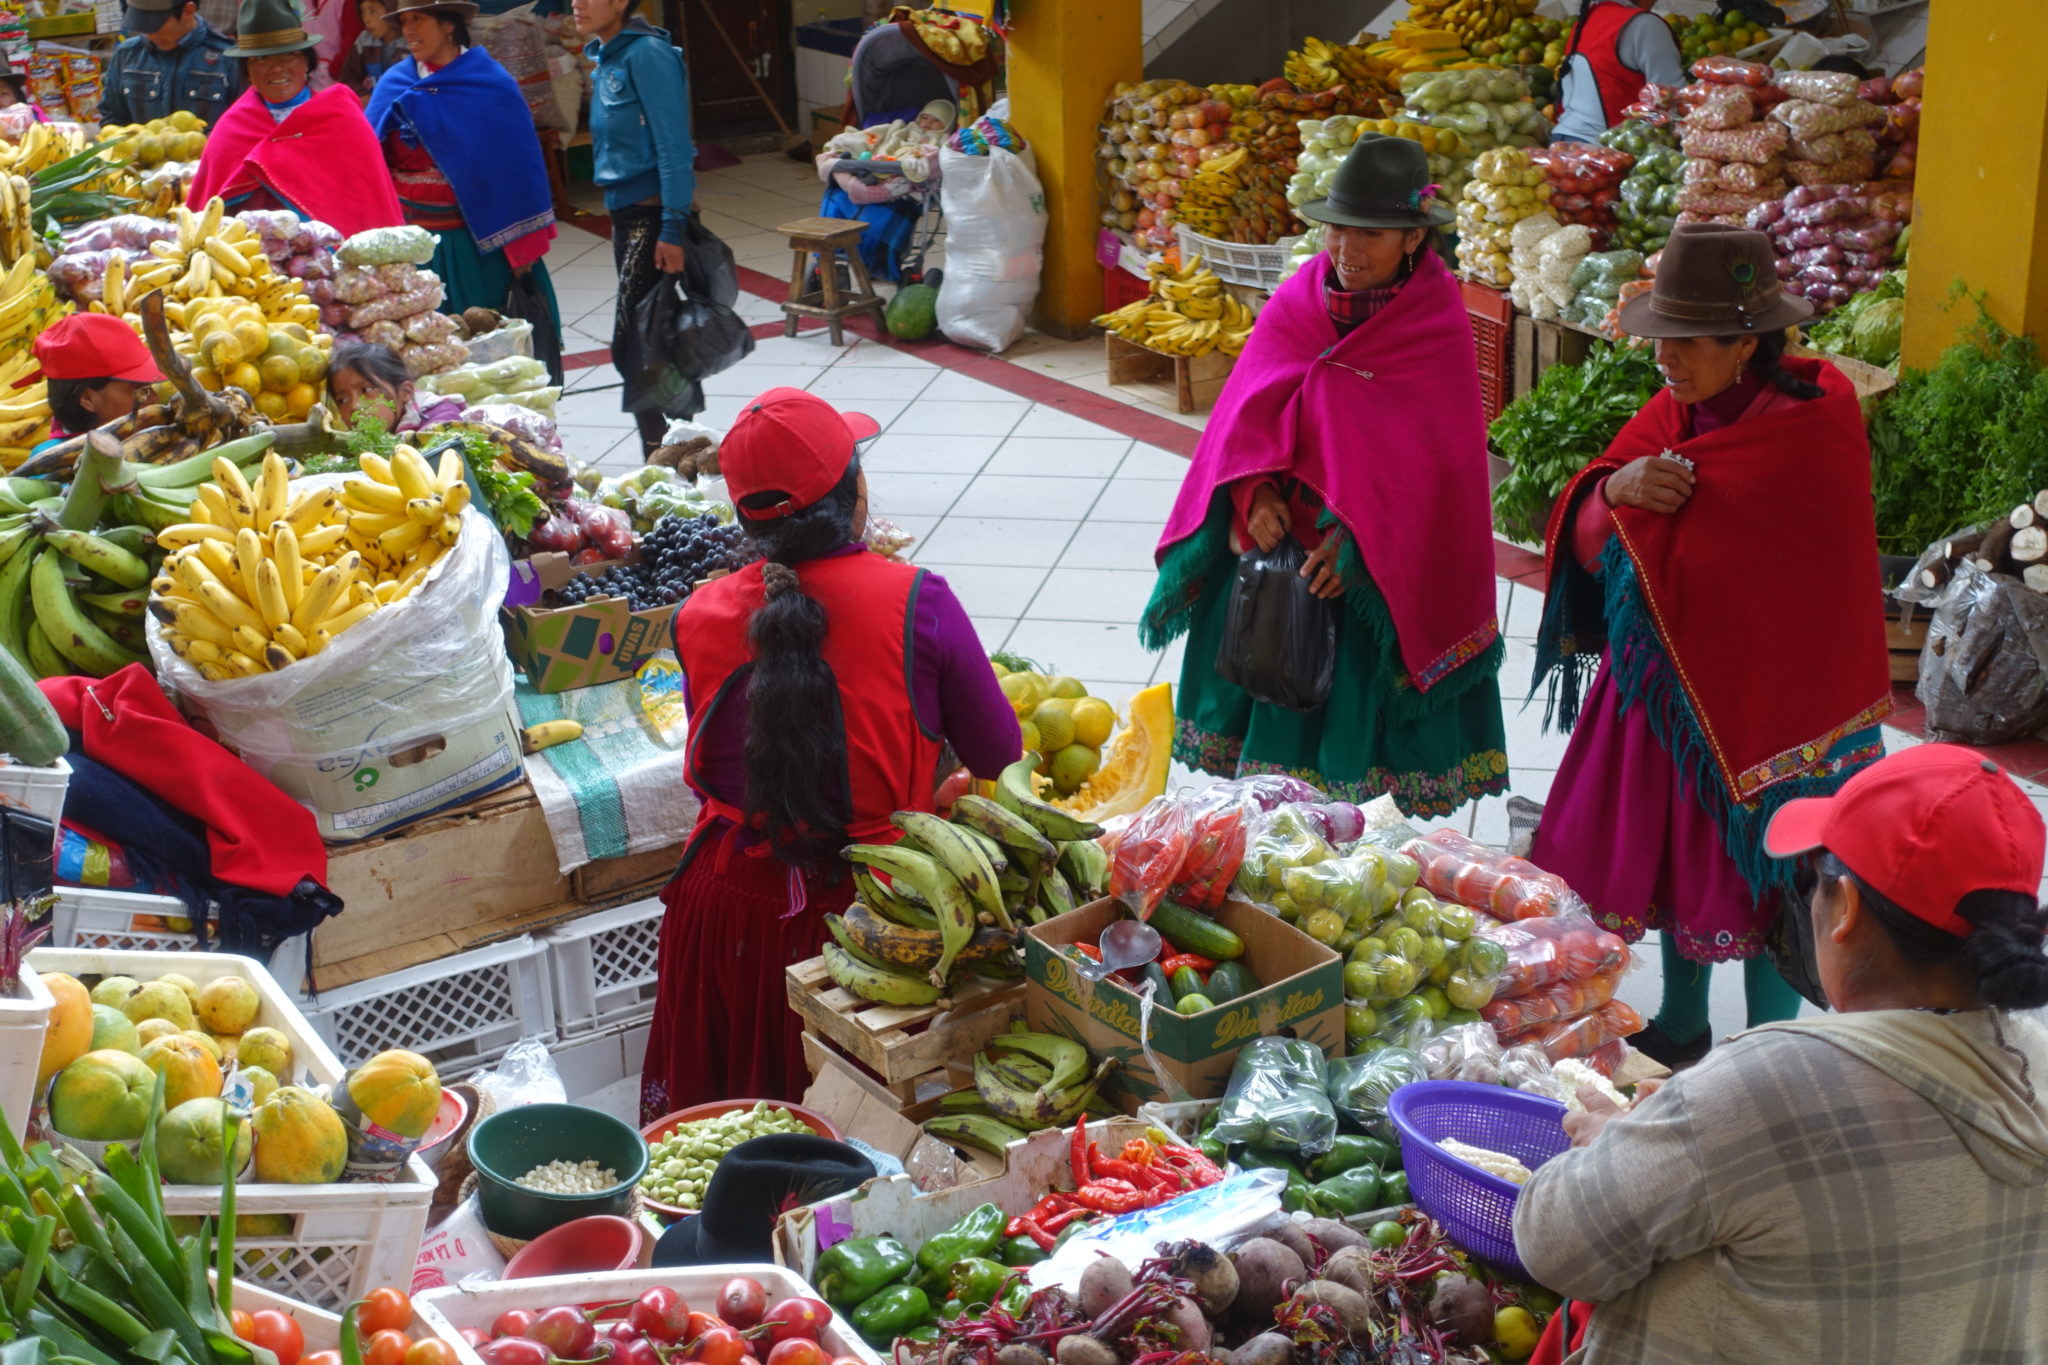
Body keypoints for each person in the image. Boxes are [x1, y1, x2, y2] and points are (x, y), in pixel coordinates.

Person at [1513, 743, 2048, 1364]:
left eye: (1812, 879)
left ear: (1845, 909)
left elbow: (1552, 1246)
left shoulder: (1767, 1085)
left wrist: (1611, 1141)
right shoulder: (2034, 1062)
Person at [1528, 223, 1892, 1066]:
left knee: (1777, 870)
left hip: (1787, 703)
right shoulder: (1674, 412)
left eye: (1686, 341)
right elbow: (1589, 531)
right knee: (1681, 858)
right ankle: (1684, 1025)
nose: (1665, 357)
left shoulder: (1814, 426)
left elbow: (1807, 579)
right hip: (1673, 692)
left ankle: (1767, 1044)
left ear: (1746, 344)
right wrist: (1618, 491)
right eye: (1662, 336)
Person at [639, 388, 1021, 1118]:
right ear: (856, 494)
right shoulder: (919, 601)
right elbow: (1000, 754)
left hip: (726, 910)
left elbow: (723, 766)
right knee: (843, 1142)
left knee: (716, 1137)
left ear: (745, 518)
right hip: (873, 921)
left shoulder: (696, 614)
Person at [1137, 134, 1507, 817]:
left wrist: (1359, 544)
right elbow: (1243, 419)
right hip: (1278, 566)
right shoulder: (1298, 300)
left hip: (1368, 580)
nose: (1347, 248)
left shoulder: (1435, 322)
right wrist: (1254, 494)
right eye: (1338, 228)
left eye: (1371, 233)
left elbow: (1437, 471)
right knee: (1269, 772)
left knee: (1355, 784)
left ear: (1413, 239)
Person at [365, 0, 561, 324]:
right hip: (412, 244)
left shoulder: (489, 84)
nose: (408, 30)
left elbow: (519, 167)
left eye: (418, 19)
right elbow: (369, 159)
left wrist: (524, 244)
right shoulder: (394, 83)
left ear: (448, 24)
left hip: (476, 246)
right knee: (425, 341)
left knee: (481, 334)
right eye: (404, 22)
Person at [574, 0, 694, 455]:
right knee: (651, 343)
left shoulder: (647, 54)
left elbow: (674, 147)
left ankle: (667, 454)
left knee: (636, 346)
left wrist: (673, 227)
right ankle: (675, 454)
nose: (576, 3)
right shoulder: (608, 55)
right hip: (627, 216)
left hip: (653, 218)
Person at [184, 0, 404, 238]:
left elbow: (370, 206)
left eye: (289, 55)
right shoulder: (231, 129)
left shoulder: (343, 119)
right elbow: (207, 218)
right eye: (261, 59)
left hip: (334, 257)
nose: (277, 67)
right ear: (247, 72)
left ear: (307, 62)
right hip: (246, 255)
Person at [1550, 0, 1685, 145]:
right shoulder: (1645, 24)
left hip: (1561, 141)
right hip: (1603, 148)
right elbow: (1671, 100)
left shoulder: (1588, 18)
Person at [30, 313, 165, 454]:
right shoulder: (54, 463)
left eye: (150, 387)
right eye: (139, 390)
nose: (154, 398)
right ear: (88, 399)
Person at [101, 0, 243, 128]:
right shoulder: (127, 54)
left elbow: (242, 125)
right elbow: (112, 118)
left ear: (188, 10)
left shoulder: (228, 59)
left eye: (155, 26)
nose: (149, 35)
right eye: (142, 25)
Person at [326, 339, 463, 431]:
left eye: (366, 389)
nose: (354, 406)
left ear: (406, 392)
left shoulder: (441, 417)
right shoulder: (361, 444)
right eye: (342, 400)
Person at [334, 0, 404, 95]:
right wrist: (363, 95)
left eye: (372, 11)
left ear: (390, 9)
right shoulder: (365, 40)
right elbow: (348, 76)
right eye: (362, 12)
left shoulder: (409, 39)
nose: (366, 19)